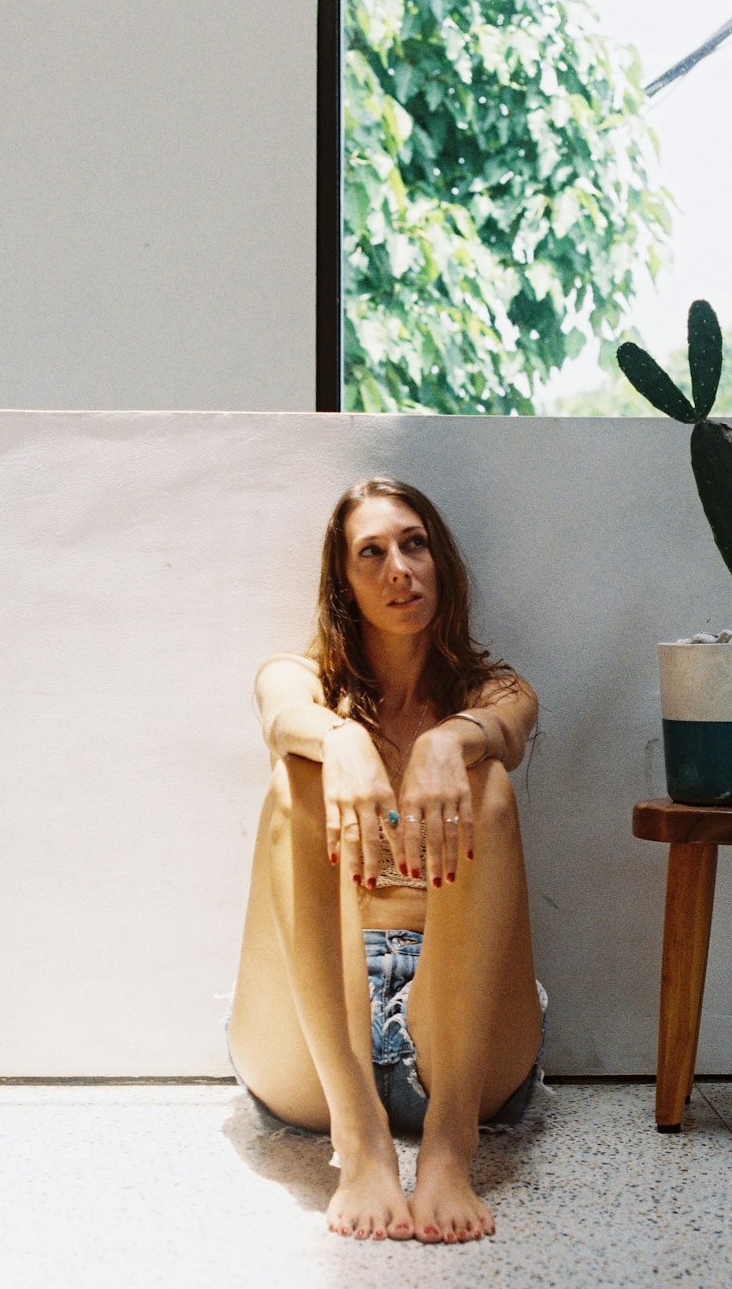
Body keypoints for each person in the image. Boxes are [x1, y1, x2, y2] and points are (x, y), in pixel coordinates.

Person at [228, 477, 545, 1245]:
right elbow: (281, 713)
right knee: (296, 775)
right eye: (371, 553)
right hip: (318, 1032)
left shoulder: (491, 689)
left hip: (457, 1027)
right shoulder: (305, 680)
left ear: (441, 562)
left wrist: (448, 740)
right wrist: (340, 741)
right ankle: (361, 1139)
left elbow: (509, 725)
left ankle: (449, 1144)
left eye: (414, 543)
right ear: (344, 582)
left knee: (489, 783)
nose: (399, 568)